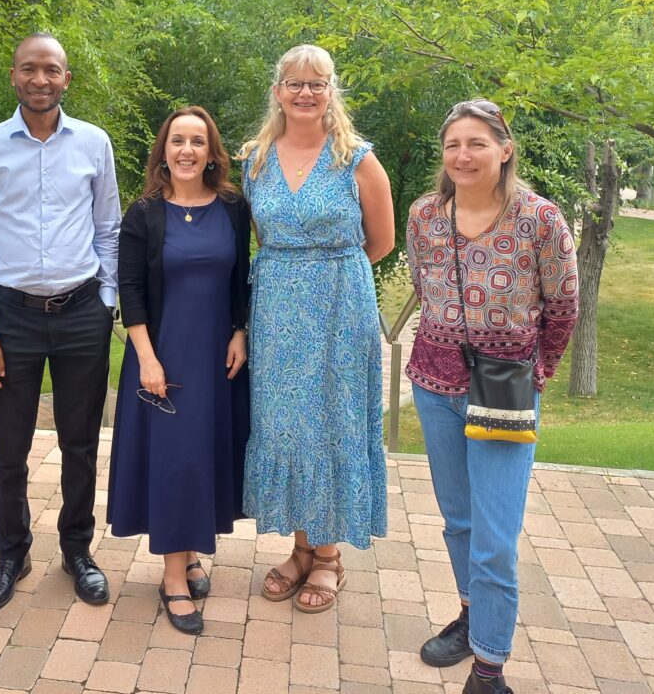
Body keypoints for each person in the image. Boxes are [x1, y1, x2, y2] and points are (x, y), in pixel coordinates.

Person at [406, 99, 578, 694]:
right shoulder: (426, 215)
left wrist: (538, 375)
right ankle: (471, 616)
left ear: (505, 149)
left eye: (477, 143)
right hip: (433, 384)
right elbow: (424, 288)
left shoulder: (540, 219)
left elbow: (562, 306)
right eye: (453, 145)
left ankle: (489, 669)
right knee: (458, 522)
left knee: (496, 540)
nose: (463, 155)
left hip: (506, 389)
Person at [0, 33, 121, 613]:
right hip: (12, 319)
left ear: (66, 79)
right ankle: (12, 553)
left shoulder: (94, 144)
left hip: (83, 313)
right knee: (10, 447)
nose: (40, 79)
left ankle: (78, 550)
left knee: (81, 443)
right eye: (29, 69)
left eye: (51, 70)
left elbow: (109, 227)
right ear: (14, 76)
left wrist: (106, 299)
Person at [239, 43, 395, 615]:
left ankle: (328, 558)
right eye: (296, 83)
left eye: (318, 83)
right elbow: (255, 234)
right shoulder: (255, 158)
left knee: (330, 421)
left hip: (338, 307)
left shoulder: (357, 158)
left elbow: (381, 242)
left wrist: (329, 273)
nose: (307, 93)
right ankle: (302, 549)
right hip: (277, 307)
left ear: (332, 92)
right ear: (278, 91)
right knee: (285, 424)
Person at [106, 106, 251, 636]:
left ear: (212, 152)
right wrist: (146, 357)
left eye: (197, 141)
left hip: (217, 357)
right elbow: (131, 291)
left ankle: (191, 556)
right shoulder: (144, 213)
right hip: (161, 357)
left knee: (200, 458)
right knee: (174, 460)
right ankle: (172, 577)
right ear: (163, 152)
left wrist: (240, 330)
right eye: (177, 141)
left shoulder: (233, 207)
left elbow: (242, 278)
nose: (187, 151)